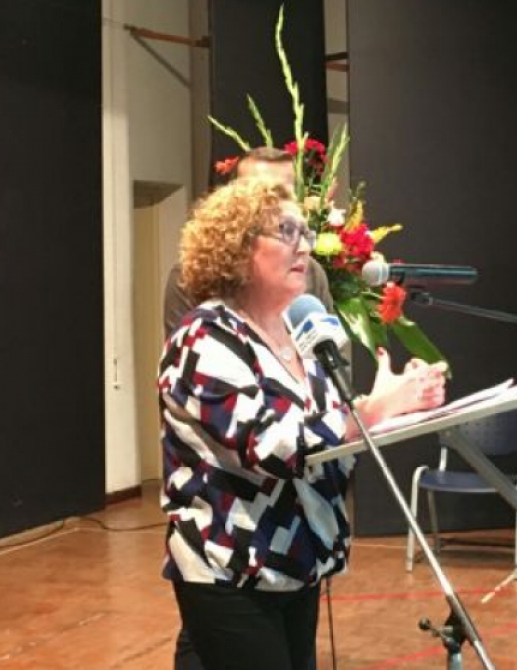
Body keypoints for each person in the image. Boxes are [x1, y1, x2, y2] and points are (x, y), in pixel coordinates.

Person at [158, 177, 446, 670]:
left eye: (305, 233)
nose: (305, 247)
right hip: (232, 567)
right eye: (286, 231)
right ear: (238, 248)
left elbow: (327, 443)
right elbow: (272, 446)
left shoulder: (299, 335)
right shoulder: (203, 338)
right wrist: (373, 411)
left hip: (298, 561)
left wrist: (397, 403)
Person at [162, 146, 333, 334]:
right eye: (260, 192)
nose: (273, 202)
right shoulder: (192, 277)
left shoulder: (310, 273)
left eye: (283, 193)